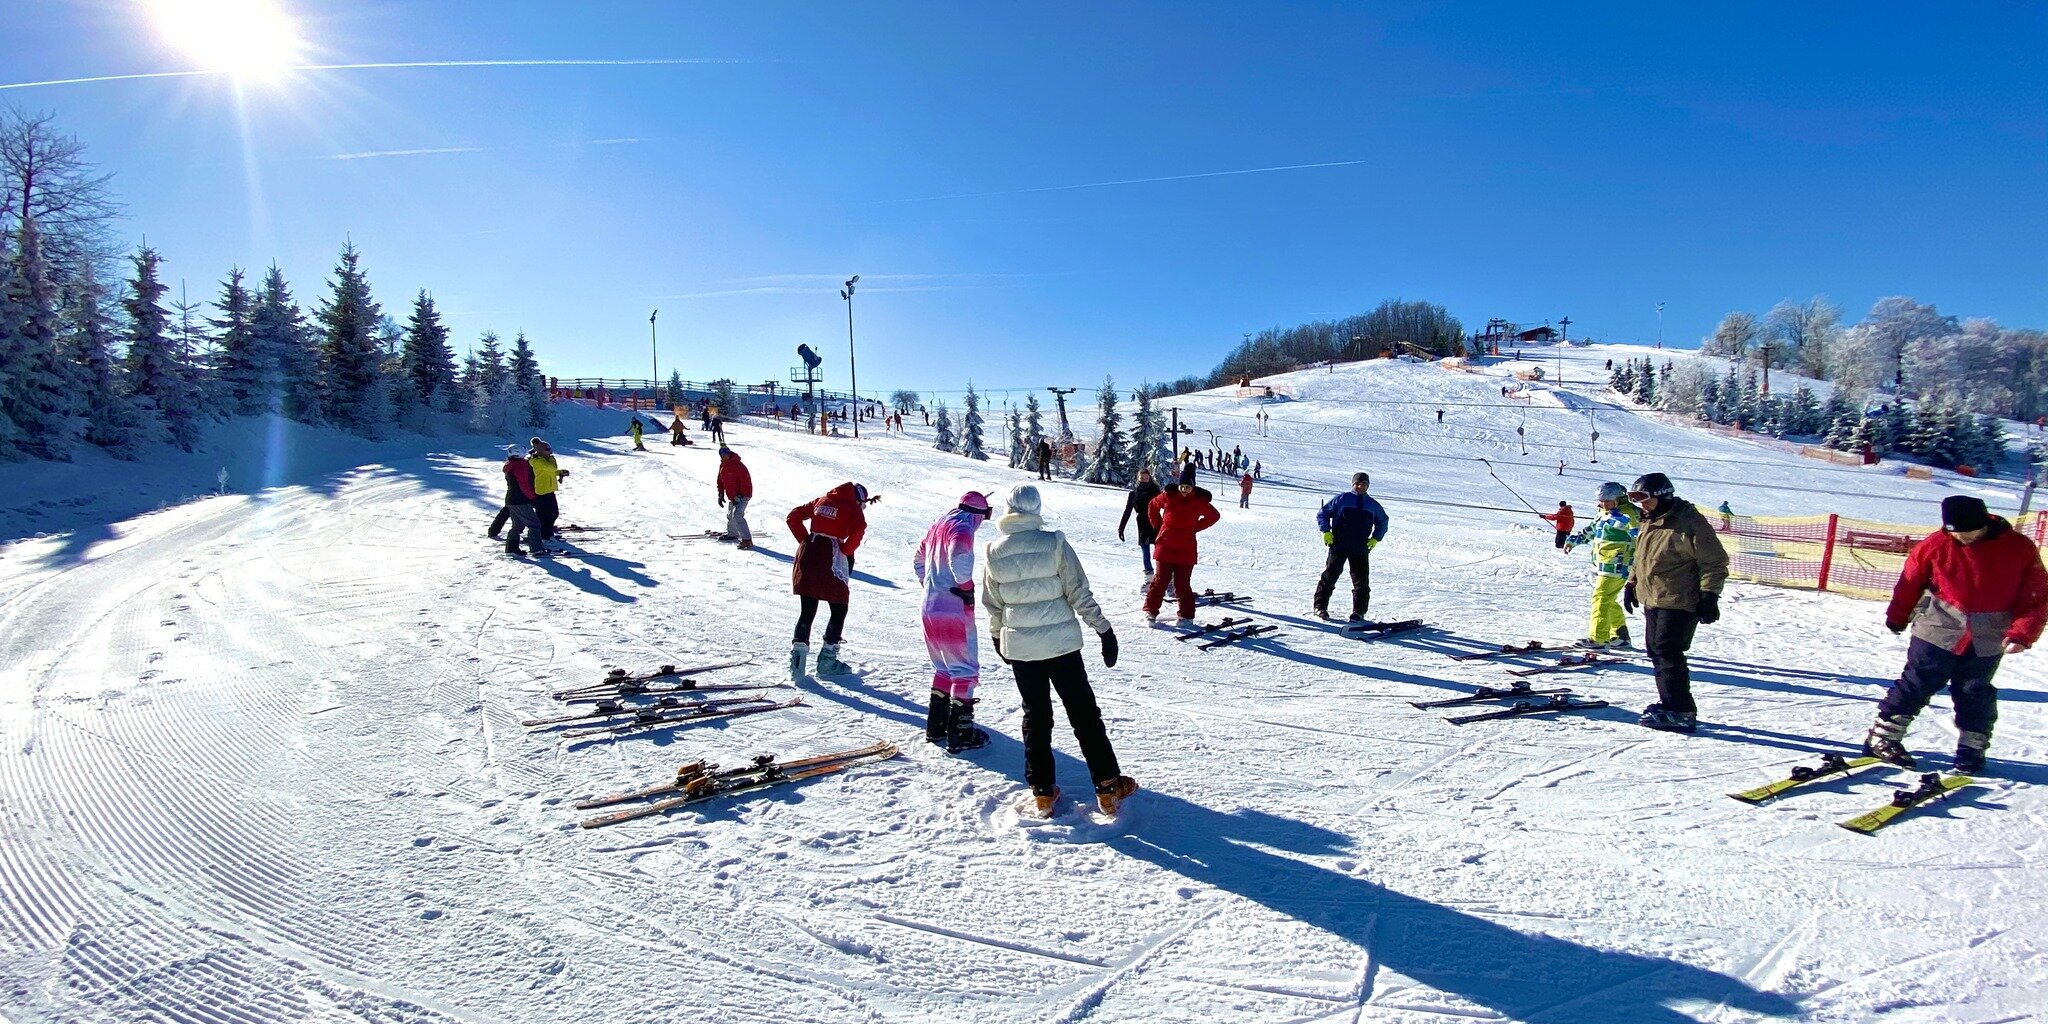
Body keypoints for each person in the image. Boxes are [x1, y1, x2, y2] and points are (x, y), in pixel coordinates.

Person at [981, 484, 1136, 816]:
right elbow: (1079, 592)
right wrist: (1103, 629)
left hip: (1022, 649)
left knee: (1036, 717)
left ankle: (1042, 791)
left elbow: (994, 604)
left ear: (1009, 509)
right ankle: (1108, 787)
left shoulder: (994, 551)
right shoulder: (1054, 544)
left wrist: (998, 636)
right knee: (1083, 714)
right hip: (1062, 647)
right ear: (1036, 508)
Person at [1863, 496, 2048, 772]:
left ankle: (1972, 746)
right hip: (1938, 626)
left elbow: (2036, 595)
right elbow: (1909, 583)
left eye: (1968, 533)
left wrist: (2022, 633)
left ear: (1984, 523)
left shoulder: (2018, 548)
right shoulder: (1935, 545)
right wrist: (1897, 616)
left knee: (1974, 689)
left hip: (1988, 633)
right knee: (1918, 681)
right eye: (1955, 533)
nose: (1962, 539)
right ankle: (1883, 737)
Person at [1624, 472, 1730, 733]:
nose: (1639, 504)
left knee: (1668, 651)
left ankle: (1681, 710)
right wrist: (1631, 583)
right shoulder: (1650, 520)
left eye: (1643, 498)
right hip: (1653, 597)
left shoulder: (1689, 522)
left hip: (1679, 598)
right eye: (1634, 498)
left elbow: (1715, 562)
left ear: (1660, 496)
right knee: (1656, 652)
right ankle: (1669, 703)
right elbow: (1642, 557)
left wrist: (1709, 596)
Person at [914, 492, 995, 753]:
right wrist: (966, 586)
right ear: (977, 514)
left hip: (929, 605)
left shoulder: (939, 524)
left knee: (943, 667)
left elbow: (918, 559)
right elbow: (959, 556)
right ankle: (960, 733)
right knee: (964, 669)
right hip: (952, 607)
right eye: (984, 516)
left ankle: (936, 726)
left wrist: (930, 583)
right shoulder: (961, 527)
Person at [786, 482, 872, 681]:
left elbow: (793, 516)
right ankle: (827, 662)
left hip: (810, 552)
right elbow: (859, 530)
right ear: (858, 499)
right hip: (832, 554)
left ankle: (797, 666)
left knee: (807, 611)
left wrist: (805, 539)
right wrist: (846, 550)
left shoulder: (822, 500)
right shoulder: (852, 507)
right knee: (839, 608)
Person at [1564, 482, 1639, 649]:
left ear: (1618, 499)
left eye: (1605, 500)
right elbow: (1592, 529)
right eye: (1600, 500)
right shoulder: (1603, 513)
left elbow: (1642, 538)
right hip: (1604, 564)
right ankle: (1620, 636)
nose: (1600, 504)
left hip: (1620, 564)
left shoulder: (1629, 515)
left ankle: (1598, 638)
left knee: (1601, 598)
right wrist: (1573, 541)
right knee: (1607, 598)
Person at [1144, 464, 1219, 627]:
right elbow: (1152, 506)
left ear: (1193, 487)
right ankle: (1151, 612)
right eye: (1182, 486)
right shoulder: (1169, 496)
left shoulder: (1199, 501)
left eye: (1188, 487)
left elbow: (1214, 516)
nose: (1184, 490)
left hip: (1186, 549)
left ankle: (1186, 616)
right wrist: (1158, 525)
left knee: (1182, 583)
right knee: (1160, 581)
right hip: (1165, 546)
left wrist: (1196, 527)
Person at [1313, 472, 1388, 621]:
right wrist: (1326, 531)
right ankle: (1320, 607)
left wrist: (1375, 539)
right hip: (1339, 544)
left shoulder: (1373, 504)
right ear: (1352, 484)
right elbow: (1323, 513)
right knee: (1329, 576)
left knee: (1361, 581)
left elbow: (1383, 521)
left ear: (1367, 486)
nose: (1360, 486)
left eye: (1363, 484)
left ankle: (1359, 612)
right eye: (1357, 484)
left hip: (1360, 548)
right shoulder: (1342, 499)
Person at [498, 445, 548, 557]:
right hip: (520, 499)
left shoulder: (510, 464)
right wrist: (532, 497)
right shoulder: (520, 465)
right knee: (534, 524)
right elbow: (523, 483)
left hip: (511, 499)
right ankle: (536, 549)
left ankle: (511, 548)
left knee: (517, 525)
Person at [1117, 465, 1162, 578]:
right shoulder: (1133, 494)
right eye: (1142, 478)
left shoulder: (1155, 491)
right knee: (1145, 549)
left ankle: (1162, 573)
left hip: (1155, 522)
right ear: (1138, 478)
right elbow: (1127, 511)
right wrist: (1121, 528)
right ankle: (1149, 574)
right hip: (1142, 523)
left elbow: (1167, 506)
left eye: (1146, 478)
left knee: (1160, 549)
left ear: (1149, 478)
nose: (1144, 480)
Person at [528, 437, 567, 546]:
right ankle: (544, 535)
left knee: (553, 513)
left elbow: (550, 471)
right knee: (545, 515)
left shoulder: (546, 460)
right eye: (547, 449)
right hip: (540, 491)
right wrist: (556, 468)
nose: (550, 451)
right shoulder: (536, 461)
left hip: (549, 490)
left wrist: (560, 472)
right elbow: (550, 468)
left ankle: (547, 532)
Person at [716, 447, 754, 550]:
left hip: (743, 494)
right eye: (723, 455)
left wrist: (741, 495)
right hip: (733, 496)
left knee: (737, 515)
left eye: (726, 454)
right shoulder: (723, 465)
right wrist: (721, 493)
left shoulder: (738, 465)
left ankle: (747, 540)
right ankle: (732, 534)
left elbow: (746, 481)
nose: (725, 456)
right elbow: (720, 480)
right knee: (730, 514)